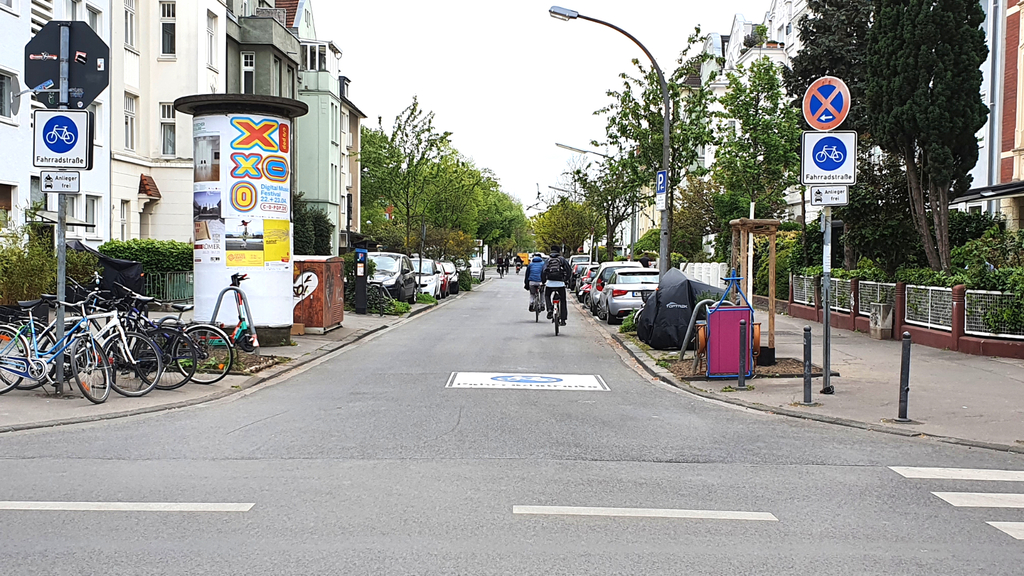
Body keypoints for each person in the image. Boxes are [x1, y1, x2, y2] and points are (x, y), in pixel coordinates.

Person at [542, 246, 572, 325]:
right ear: (559, 251)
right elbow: (569, 270)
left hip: (549, 283)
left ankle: (549, 309)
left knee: (547, 295)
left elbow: (543, 271)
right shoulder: (562, 260)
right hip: (560, 283)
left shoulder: (548, 260)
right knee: (563, 300)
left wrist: (543, 281)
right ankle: (563, 319)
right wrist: (565, 280)